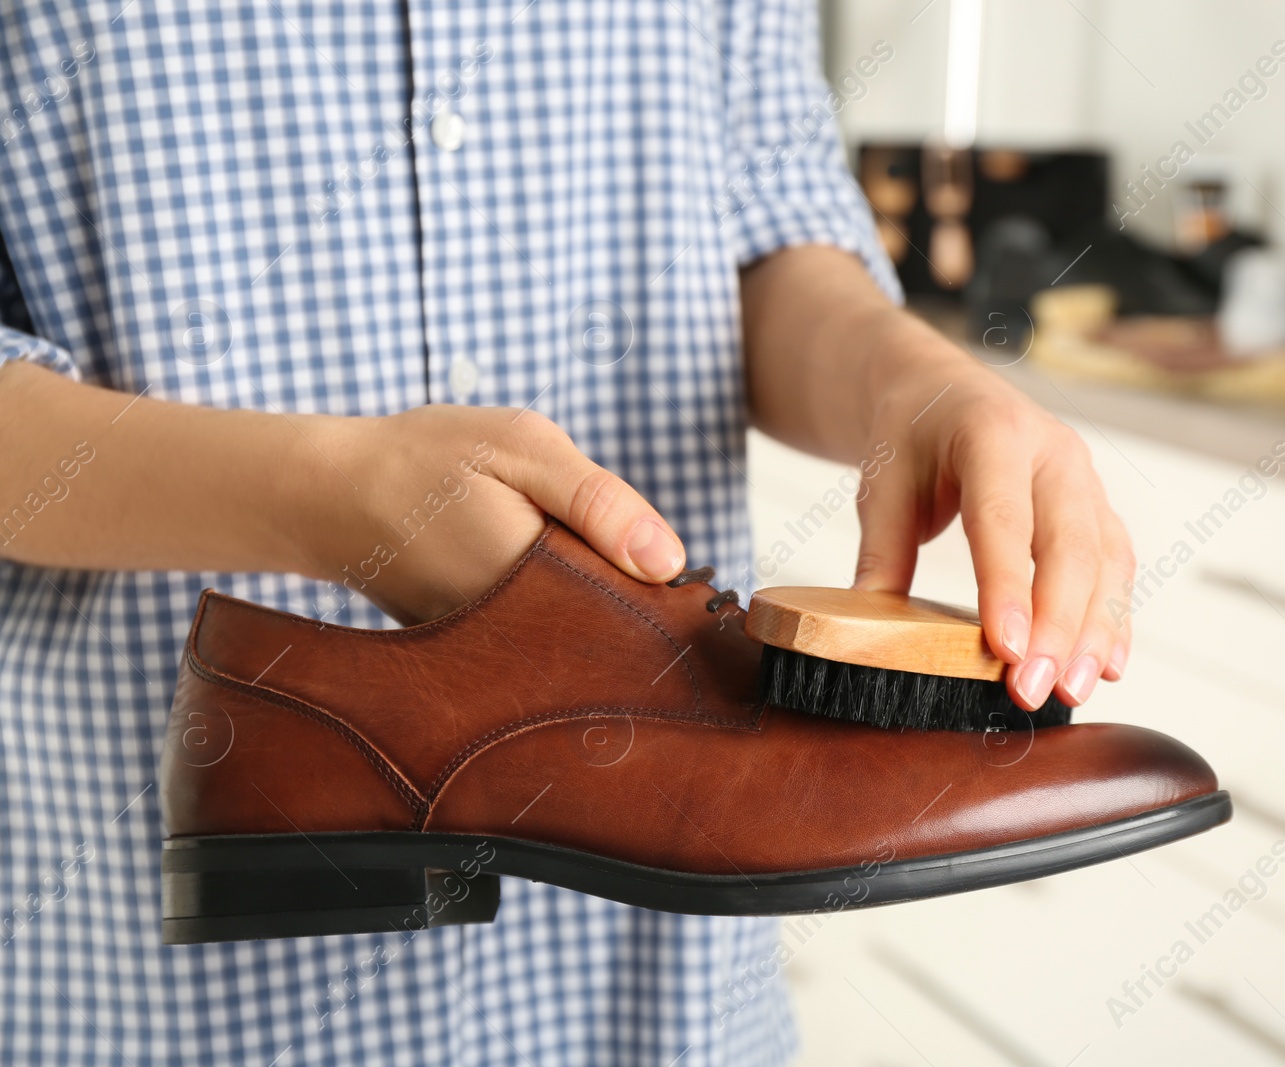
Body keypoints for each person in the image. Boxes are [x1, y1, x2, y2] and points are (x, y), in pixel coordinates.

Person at [0, 1, 1133, 1063]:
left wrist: (916, 385)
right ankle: (315, 722)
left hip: (663, 994)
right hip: (137, 942)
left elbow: (769, 227)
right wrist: (326, 492)